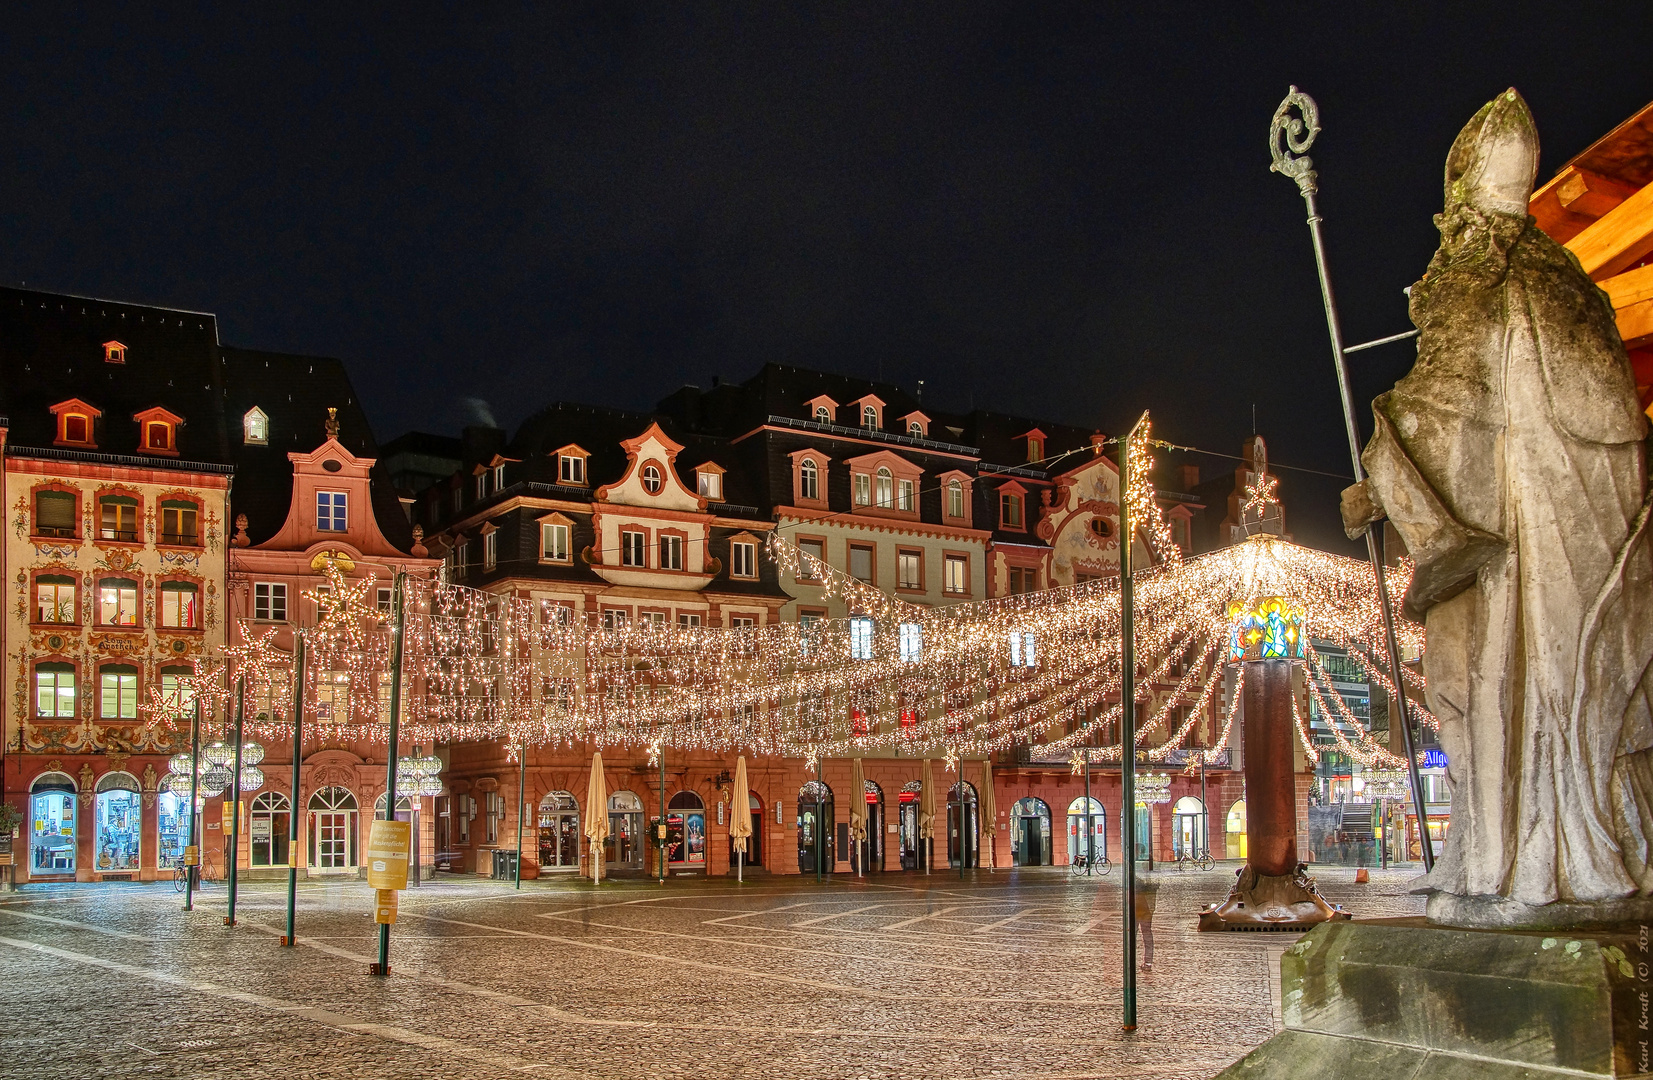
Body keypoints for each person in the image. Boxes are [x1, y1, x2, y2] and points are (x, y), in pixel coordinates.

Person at [1135, 872, 1159, 971]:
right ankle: (1148, 962)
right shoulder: (1150, 877)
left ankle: (1143, 961)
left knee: (1135, 934)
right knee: (1147, 934)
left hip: (1138, 909)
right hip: (1145, 909)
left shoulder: (1137, 879)